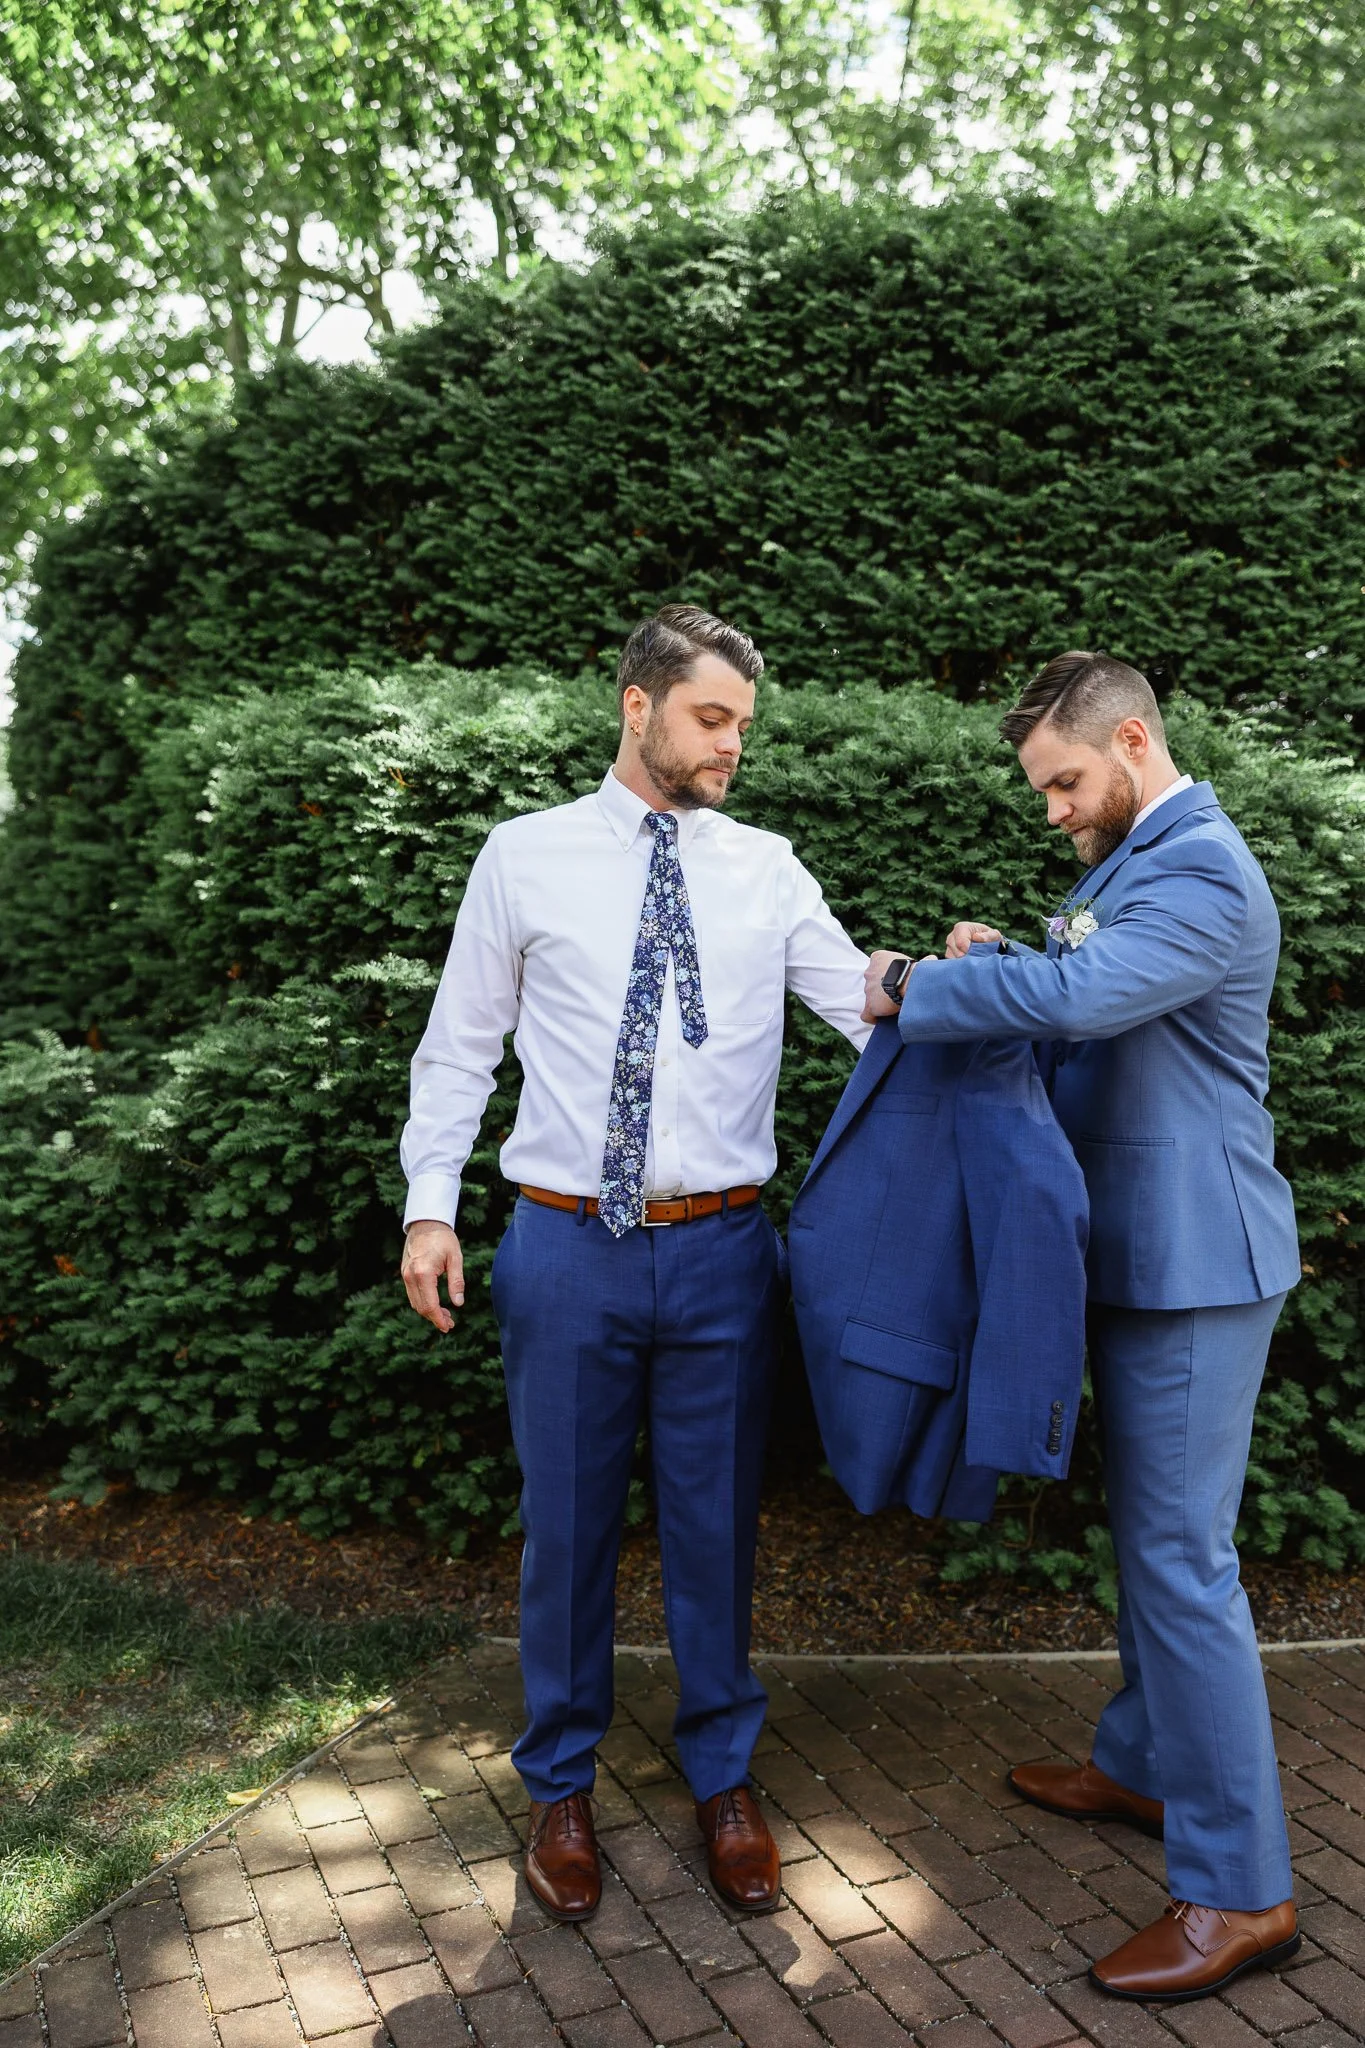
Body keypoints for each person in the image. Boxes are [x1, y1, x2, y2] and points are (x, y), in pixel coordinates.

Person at [400, 605, 870, 1923]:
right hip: (565, 1248)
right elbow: (457, 1047)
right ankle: (559, 1787)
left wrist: (948, 977)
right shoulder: (524, 857)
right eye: (711, 719)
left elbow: (859, 998)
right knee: (567, 1530)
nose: (730, 747)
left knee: (717, 1531)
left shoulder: (767, 867)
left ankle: (723, 1776)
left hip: (726, 1250)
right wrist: (429, 1209)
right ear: (637, 706)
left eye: (742, 728)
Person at [862, 650, 1301, 2005]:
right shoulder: (1131, 865)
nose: (1053, 808)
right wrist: (1002, 954)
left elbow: (1083, 1002)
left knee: (1183, 1559)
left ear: (1130, 738)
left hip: (1195, 1263)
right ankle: (1142, 1766)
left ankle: (1241, 1892)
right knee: (1156, 1543)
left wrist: (911, 987)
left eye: (1063, 780)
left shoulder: (1203, 866)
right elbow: (1082, 1010)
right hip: (1135, 1254)